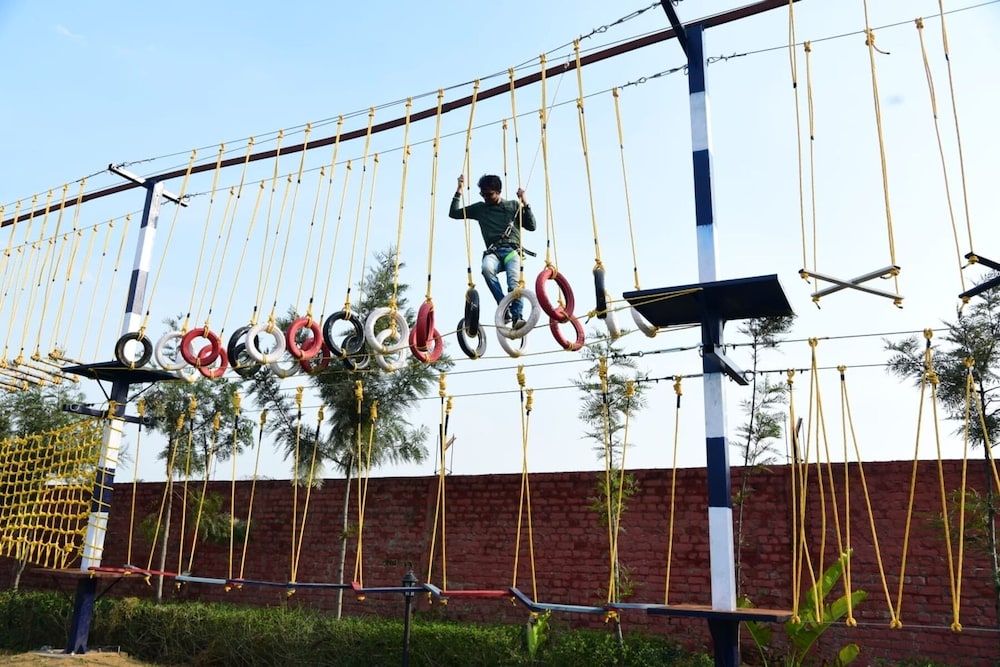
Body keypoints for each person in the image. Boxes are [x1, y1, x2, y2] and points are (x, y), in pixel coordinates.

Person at [449, 174, 537, 328]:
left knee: (514, 283)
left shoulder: (512, 206)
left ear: (499, 192)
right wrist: (459, 189)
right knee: (486, 269)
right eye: (482, 194)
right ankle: (504, 307)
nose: (486, 198)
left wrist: (525, 203)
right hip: (494, 252)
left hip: (511, 251)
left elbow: (532, 226)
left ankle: (517, 316)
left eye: (489, 194)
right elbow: (454, 213)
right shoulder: (480, 208)